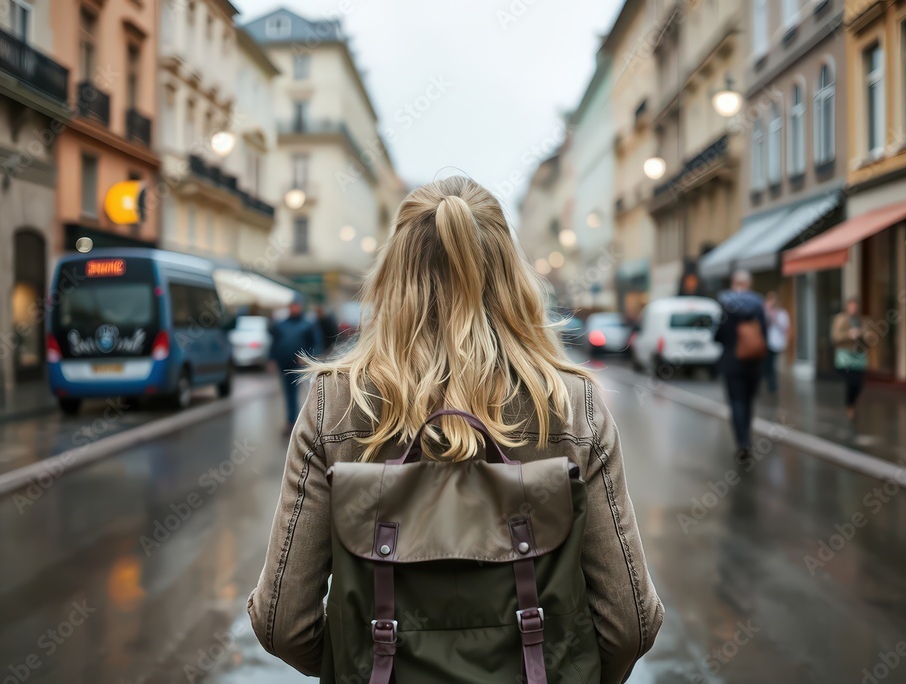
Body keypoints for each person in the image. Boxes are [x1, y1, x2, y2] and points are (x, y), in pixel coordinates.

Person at [248, 176, 663, 682]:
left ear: (392, 277)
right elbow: (630, 624)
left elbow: (284, 622)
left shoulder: (335, 402)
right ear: (510, 274)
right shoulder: (572, 403)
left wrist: (357, 659)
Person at [714, 270, 768, 457]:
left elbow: (718, 334)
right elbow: (765, 334)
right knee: (748, 401)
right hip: (753, 363)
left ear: (734, 284)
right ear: (749, 284)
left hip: (732, 363)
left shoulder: (726, 305)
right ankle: (747, 438)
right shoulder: (758, 304)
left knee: (736, 402)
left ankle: (742, 442)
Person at [269, 296, 322, 436]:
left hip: (300, 365)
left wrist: (308, 358)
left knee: (303, 393)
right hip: (284, 363)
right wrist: (272, 359)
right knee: (289, 394)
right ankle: (291, 421)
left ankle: (305, 423)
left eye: (296, 306)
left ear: (301, 307)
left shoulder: (307, 325)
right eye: (292, 306)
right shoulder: (281, 325)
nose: (294, 308)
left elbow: (316, 344)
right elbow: (274, 343)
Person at [831, 297, 868, 423]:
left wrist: (861, 334)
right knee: (850, 382)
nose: (853, 309)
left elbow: (868, 337)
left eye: (855, 306)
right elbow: (835, 336)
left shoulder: (861, 320)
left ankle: (851, 403)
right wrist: (848, 334)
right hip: (845, 355)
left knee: (858, 383)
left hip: (858, 355)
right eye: (851, 306)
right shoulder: (840, 319)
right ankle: (849, 406)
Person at [763, 291, 790, 395]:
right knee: (766, 365)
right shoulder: (765, 312)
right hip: (766, 343)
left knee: (772, 365)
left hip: (776, 343)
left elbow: (785, 328)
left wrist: (774, 317)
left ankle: (772, 387)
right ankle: (769, 384)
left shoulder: (782, 313)